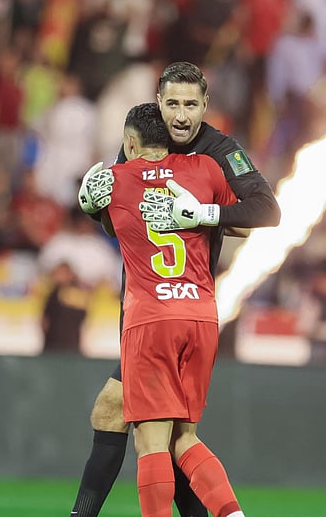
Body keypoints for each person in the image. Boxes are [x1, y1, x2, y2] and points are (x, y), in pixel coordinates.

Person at [71, 62, 280, 517]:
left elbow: (266, 210)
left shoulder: (218, 152)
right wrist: (97, 211)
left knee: (154, 434)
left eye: (191, 104)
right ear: (159, 103)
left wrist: (204, 216)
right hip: (191, 308)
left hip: (156, 314)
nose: (181, 115)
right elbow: (122, 221)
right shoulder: (160, 148)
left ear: (206, 106)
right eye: (173, 104)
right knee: (156, 425)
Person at [101, 103, 245, 517]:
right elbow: (242, 218)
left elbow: (94, 208)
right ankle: (232, 514)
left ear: (130, 142)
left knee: (150, 443)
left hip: (151, 318)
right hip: (200, 315)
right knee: (186, 438)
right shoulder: (204, 170)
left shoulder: (116, 179)